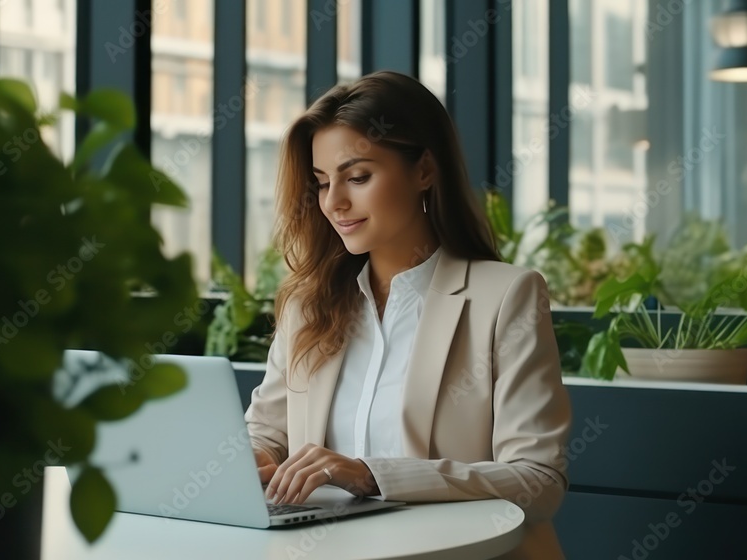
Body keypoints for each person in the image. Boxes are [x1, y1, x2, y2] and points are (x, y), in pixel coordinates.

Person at [245, 70, 573, 559]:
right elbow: (268, 432)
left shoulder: (507, 296)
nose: (334, 203)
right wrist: (254, 459)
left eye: (358, 177)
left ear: (423, 170)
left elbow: (538, 481)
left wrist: (368, 473)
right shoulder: (308, 306)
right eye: (320, 183)